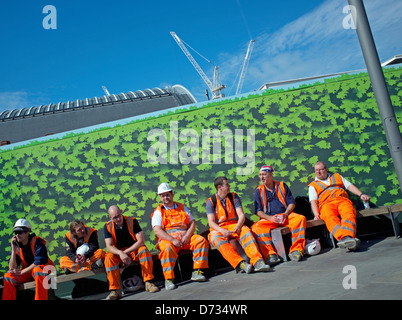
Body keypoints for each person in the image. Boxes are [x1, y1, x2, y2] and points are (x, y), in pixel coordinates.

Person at [206, 176, 270, 273]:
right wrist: (223, 231)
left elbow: (241, 215)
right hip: (219, 229)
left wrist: (238, 226)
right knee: (216, 239)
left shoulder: (233, 196)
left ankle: (258, 261)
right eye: (227, 184)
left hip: (234, 225)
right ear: (220, 187)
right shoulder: (211, 201)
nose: (229, 186)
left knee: (246, 231)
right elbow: (211, 222)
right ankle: (241, 264)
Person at [152, 182, 209, 290]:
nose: (166, 198)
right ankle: (168, 279)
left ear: (172, 194)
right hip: (169, 240)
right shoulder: (158, 212)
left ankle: (197, 271)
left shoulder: (182, 207)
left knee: (200, 240)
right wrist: (172, 240)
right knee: (167, 248)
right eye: (163, 195)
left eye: (167, 195)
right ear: (160, 197)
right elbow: (157, 231)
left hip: (185, 238)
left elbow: (192, 222)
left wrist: (187, 235)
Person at [308, 161, 370, 251]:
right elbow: (313, 201)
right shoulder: (313, 185)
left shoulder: (337, 176)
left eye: (320, 170)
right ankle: (344, 238)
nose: (318, 172)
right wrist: (316, 214)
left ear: (326, 169)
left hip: (342, 200)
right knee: (329, 216)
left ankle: (347, 237)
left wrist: (361, 194)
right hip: (326, 204)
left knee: (348, 212)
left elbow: (349, 186)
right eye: (316, 170)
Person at [251, 165, 307, 263]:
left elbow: (291, 203)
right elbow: (258, 211)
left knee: (300, 219)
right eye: (260, 175)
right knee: (256, 227)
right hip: (269, 219)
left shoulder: (282, 185)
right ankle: (270, 255)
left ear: (271, 175)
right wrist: (270, 218)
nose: (261, 177)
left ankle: (296, 250)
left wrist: (285, 214)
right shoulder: (258, 190)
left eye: (264, 174)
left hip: (285, 216)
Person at [103, 205, 160, 300]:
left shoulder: (132, 221)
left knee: (144, 251)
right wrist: (120, 253)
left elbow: (140, 241)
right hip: (119, 254)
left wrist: (125, 252)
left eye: (118, 215)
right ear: (110, 218)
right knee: (109, 258)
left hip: (133, 250)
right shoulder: (107, 226)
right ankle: (115, 290)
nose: (117, 219)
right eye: (114, 218)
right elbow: (109, 247)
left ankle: (149, 282)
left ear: (121, 212)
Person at [2, 219, 55, 300]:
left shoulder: (37, 241)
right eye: (15, 233)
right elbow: (12, 267)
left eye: (20, 232)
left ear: (27, 232)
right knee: (8, 276)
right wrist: (13, 249)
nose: (17, 235)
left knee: (38, 270)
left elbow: (38, 262)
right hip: (28, 273)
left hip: (46, 269)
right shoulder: (16, 246)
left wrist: (21, 272)